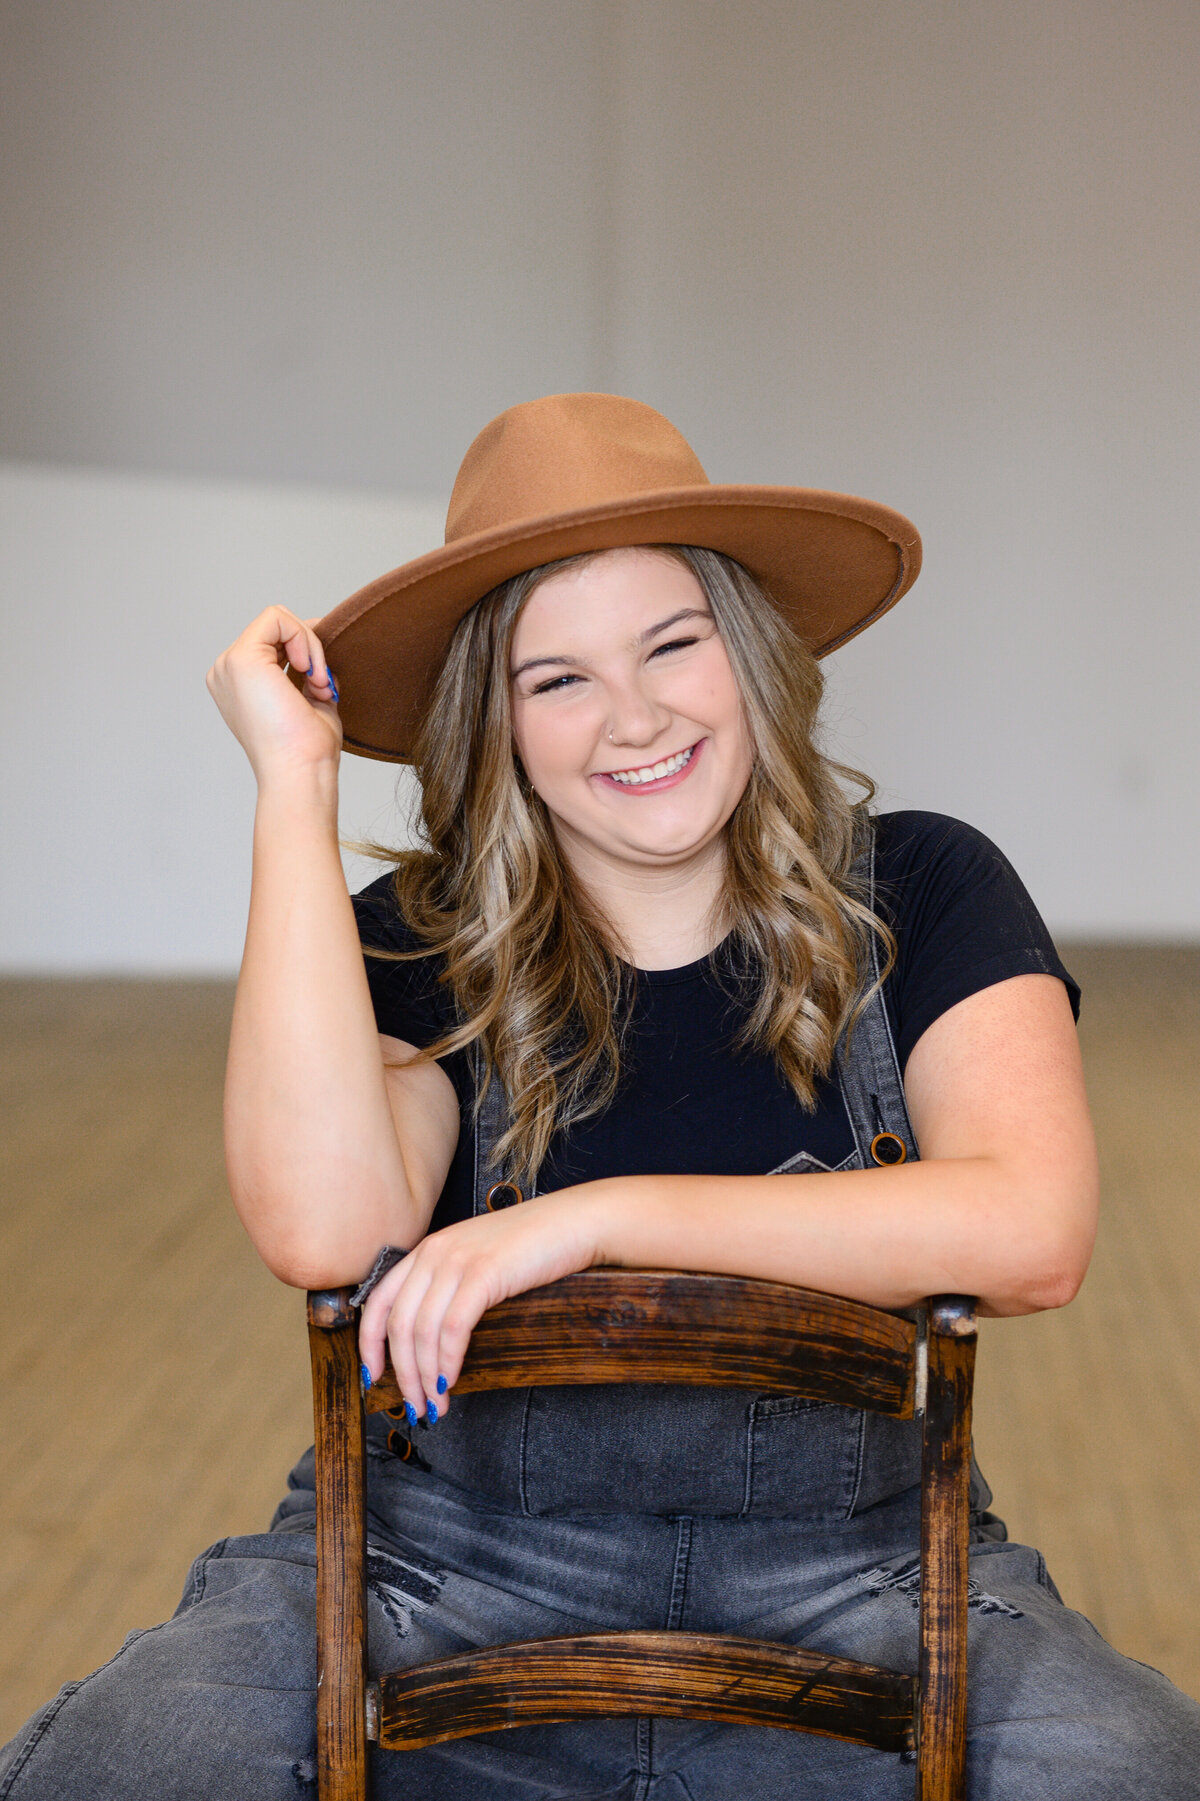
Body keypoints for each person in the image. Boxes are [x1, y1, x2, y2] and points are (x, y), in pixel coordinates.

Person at [3, 392, 1198, 1799]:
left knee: (1126, 1765)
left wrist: (590, 1220)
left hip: (856, 1572)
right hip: (445, 1561)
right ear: (491, 723)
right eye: (555, 677)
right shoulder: (423, 936)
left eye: (672, 644)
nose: (632, 716)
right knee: (129, 1757)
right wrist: (292, 782)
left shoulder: (923, 891)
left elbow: (1029, 1226)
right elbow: (327, 1227)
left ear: (749, 651)